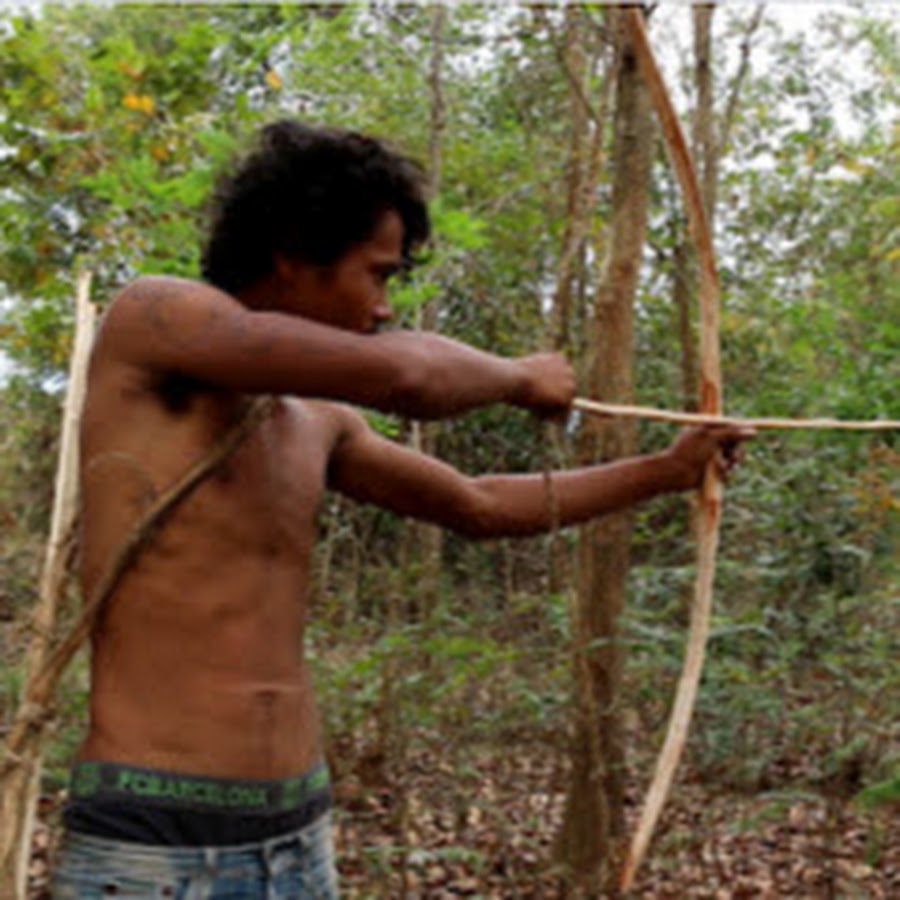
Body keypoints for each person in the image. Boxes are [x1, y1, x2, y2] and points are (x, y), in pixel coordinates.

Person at [53, 121, 751, 898]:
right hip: (153, 843)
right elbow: (406, 378)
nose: (385, 308)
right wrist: (521, 377)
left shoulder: (314, 418)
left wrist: (666, 471)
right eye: (377, 275)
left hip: (297, 834)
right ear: (291, 253)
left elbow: (478, 504)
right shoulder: (155, 319)